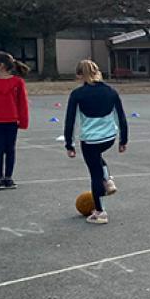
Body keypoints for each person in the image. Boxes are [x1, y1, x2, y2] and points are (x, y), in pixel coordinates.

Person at [63, 60, 128, 225]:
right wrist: (123, 139)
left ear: (79, 75)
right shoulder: (111, 91)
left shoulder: (77, 94)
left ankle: (100, 212)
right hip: (109, 137)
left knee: (95, 174)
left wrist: (69, 145)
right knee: (98, 160)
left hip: (90, 140)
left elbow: (70, 121)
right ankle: (108, 180)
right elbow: (121, 117)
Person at [0, 51, 30, 190]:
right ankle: (1, 177)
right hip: (1, 121)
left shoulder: (17, 82)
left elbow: (22, 103)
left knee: (8, 149)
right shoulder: (16, 82)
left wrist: (23, 121)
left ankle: (6, 177)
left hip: (9, 121)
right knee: (1, 150)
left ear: (1, 65)